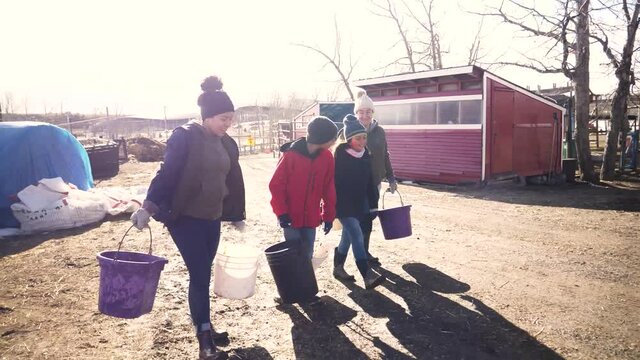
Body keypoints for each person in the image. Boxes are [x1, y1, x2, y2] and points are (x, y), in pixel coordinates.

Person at [130, 75, 245, 360]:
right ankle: (204, 339)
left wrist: (236, 213)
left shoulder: (227, 143)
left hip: (212, 218)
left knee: (203, 273)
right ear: (207, 117)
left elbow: (233, 178)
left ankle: (204, 323)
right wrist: (149, 206)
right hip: (185, 218)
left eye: (230, 118)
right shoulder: (185, 137)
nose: (227, 123)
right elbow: (166, 173)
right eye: (222, 118)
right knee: (199, 273)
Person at [268, 116, 338, 304]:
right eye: (332, 138)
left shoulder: (327, 157)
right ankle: (286, 291)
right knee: (292, 255)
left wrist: (329, 215)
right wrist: (281, 213)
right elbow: (276, 186)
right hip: (290, 217)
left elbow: (328, 188)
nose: (334, 142)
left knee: (306, 253)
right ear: (322, 138)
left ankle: (306, 292)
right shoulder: (290, 155)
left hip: (311, 218)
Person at [333, 114, 385, 290]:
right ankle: (367, 274)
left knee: (347, 237)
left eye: (364, 137)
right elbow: (332, 183)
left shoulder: (365, 155)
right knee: (356, 234)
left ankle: (338, 268)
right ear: (348, 139)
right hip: (344, 204)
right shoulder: (339, 156)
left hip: (360, 204)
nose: (362, 141)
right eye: (358, 138)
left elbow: (370, 182)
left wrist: (373, 205)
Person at [353, 89, 397, 266]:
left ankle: (364, 252)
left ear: (372, 112)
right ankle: (350, 258)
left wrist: (391, 178)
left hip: (375, 183)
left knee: (369, 217)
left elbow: (384, 154)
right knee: (355, 220)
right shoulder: (349, 131)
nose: (365, 115)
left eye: (368, 111)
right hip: (355, 184)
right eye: (361, 111)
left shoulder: (380, 131)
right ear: (356, 113)